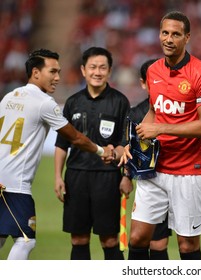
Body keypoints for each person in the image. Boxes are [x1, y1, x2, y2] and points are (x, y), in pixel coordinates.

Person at [120, 11, 201, 260]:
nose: (169, 39)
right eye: (165, 33)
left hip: (189, 170)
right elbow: (154, 111)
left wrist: (161, 129)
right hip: (155, 169)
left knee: (187, 245)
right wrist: (135, 144)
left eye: (176, 34)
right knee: (138, 238)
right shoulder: (153, 71)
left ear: (187, 37)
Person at [0, 49, 112, 260]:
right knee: (26, 240)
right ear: (35, 72)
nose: (58, 78)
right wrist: (100, 150)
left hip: (2, 176)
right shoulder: (44, 102)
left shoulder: (8, 97)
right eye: (52, 72)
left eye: (59, 72)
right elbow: (76, 138)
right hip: (15, 184)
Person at [54, 47, 130, 260]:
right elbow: (62, 143)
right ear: (83, 70)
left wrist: (125, 176)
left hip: (108, 178)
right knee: (78, 239)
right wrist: (58, 176)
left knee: (109, 240)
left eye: (102, 68)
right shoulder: (72, 102)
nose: (97, 72)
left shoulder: (120, 102)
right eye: (93, 67)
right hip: (76, 177)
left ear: (110, 71)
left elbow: (125, 144)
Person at [124, 58, 172, 260]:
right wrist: (126, 175)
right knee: (140, 238)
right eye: (152, 80)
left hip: (174, 176)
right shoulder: (135, 113)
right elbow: (128, 149)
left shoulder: (175, 109)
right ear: (143, 83)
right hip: (147, 182)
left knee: (163, 242)